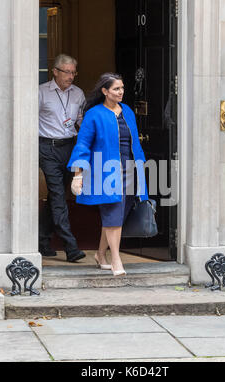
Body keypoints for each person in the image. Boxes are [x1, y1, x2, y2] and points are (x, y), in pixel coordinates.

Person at [67, 73, 148, 275]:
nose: (121, 92)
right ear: (105, 91)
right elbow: (82, 145)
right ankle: (116, 260)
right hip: (106, 171)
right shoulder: (94, 114)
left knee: (118, 215)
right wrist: (78, 175)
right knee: (112, 212)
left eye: (122, 88)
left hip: (130, 169)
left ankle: (100, 254)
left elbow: (133, 142)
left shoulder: (127, 111)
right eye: (116, 89)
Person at [39, 54, 86, 262]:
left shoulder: (78, 94)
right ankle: (71, 247)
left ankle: (42, 241)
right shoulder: (41, 92)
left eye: (73, 72)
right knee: (58, 196)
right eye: (67, 72)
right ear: (55, 71)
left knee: (57, 196)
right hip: (47, 147)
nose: (71, 76)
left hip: (69, 147)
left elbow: (79, 121)